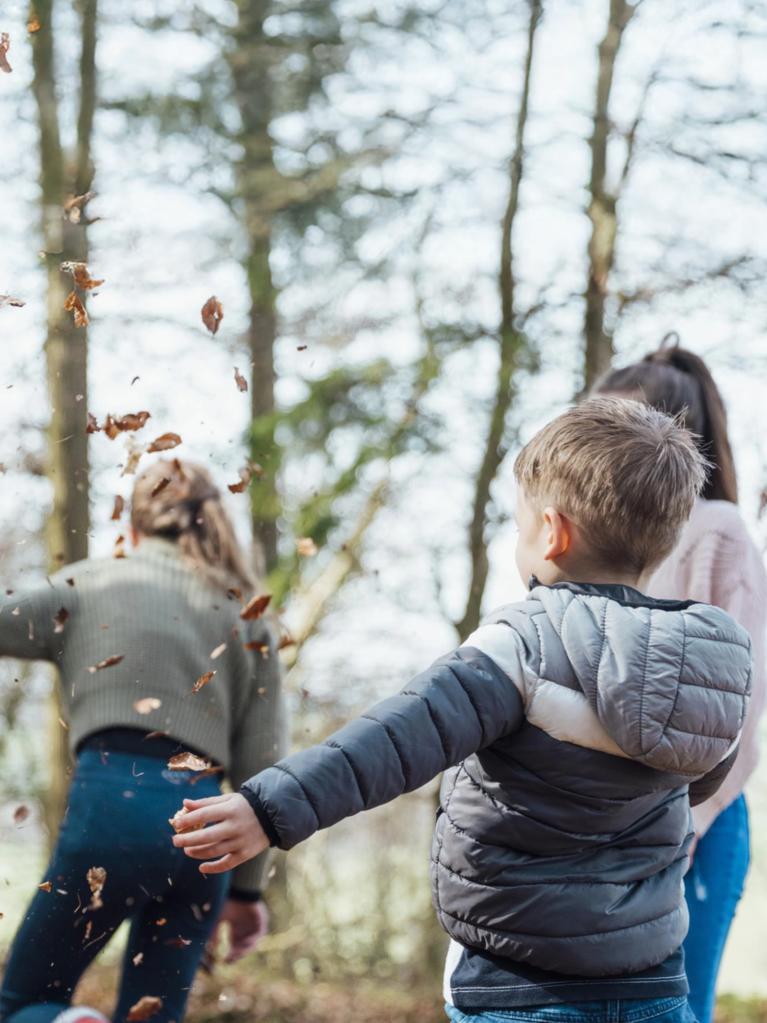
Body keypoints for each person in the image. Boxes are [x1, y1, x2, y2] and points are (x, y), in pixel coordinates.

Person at [173, 398, 752, 1023]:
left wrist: (267, 809)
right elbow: (700, 781)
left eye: (520, 525)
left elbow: (395, 740)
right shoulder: (710, 664)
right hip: (653, 989)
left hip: (519, 988)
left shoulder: (524, 644)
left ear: (552, 532)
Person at [0, 460, 283, 1023]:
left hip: (110, 805)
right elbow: (264, 758)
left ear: (131, 526)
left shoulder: (91, 582)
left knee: (25, 1003)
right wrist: (247, 891)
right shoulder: (246, 610)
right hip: (206, 830)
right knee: (153, 1014)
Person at [593, 343, 767, 1023]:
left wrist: (683, 825)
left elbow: (738, 705)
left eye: (616, 424)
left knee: (675, 1012)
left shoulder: (714, 531)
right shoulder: (598, 541)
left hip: (695, 825)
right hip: (610, 828)